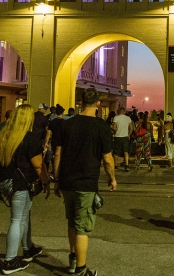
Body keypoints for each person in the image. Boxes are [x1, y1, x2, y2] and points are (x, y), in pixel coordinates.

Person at [53, 88, 116, 276]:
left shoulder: (66, 124)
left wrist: (56, 180)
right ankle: (81, 269)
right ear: (97, 103)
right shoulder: (101, 126)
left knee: (72, 222)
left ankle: (72, 260)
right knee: (83, 226)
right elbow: (107, 158)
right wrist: (112, 178)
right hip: (86, 183)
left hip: (67, 181)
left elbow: (58, 153)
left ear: (81, 103)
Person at [0, 104, 51, 274]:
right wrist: (46, 182)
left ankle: (28, 249)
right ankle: (10, 261)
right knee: (17, 220)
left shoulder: (4, 136)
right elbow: (38, 166)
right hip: (21, 183)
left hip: (5, 181)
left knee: (24, 216)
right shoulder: (29, 139)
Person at [112, 107, 133, 171]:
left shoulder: (116, 118)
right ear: (124, 112)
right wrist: (129, 135)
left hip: (117, 137)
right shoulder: (128, 118)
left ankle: (115, 165)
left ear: (119, 111)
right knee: (126, 152)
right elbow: (131, 129)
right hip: (125, 137)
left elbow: (114, 128)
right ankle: (126, 165)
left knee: (116, 153)